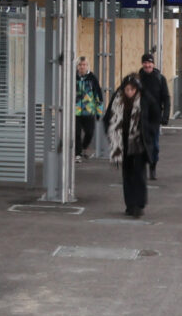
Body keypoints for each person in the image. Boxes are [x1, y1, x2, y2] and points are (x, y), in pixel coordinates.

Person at [106, 75, 153, 217]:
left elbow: (154, 116)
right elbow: (108, 118)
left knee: (139, 174)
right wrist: (111, 136)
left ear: (137, 89)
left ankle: (139, 204)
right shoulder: (117, 100)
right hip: (123, 143)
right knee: (127, 175)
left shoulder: (144, 100)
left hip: (139, 142)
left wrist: (148, 132)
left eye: (132, 89)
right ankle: (130, 204)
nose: (129, 92)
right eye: (127, 89)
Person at [136, 53, 172, 180]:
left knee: (155, 146)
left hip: (155, 118)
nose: (147, 65)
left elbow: (166, 98)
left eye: (149, 63)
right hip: (139, 118)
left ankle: (152, 166)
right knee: (140, 146)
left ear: (153, 64)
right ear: (142, 64)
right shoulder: (137, 79)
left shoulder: (160, 79)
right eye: (145, 63)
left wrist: (165, 116)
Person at [72, 62, 103, 157]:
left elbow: (98, 95)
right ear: (77, 66)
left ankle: (83, 147)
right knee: (76, 133)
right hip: (75, 111)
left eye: (84, 64)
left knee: (89, 132)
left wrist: (99, 112)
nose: (82, 66)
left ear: (87, 66)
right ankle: (78, 153)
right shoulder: (73, 78)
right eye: (80, 65)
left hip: (88, 111)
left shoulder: (92, 78)